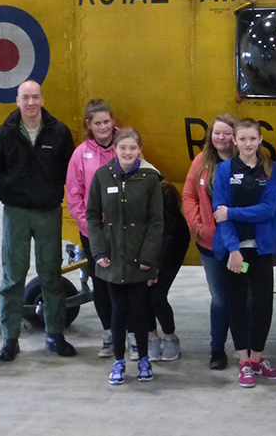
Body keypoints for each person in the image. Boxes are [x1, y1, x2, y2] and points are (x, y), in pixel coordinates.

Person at [0, 79, 76, 361]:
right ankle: (10, 339)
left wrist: (49, 191)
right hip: (16, 211)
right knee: (12, 276)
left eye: (35, 97)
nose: (30, 103)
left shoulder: (59, 132)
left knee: (51, 274)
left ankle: (55, 335)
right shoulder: (3, 134)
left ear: (41, 99)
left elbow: (67, 168)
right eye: (25, 97)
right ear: (17, 100)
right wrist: (15, 188)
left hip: (47, 211)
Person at [86, 128, 164, 385]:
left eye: (133, 148)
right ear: (115, 150)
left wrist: (148, 257)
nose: (128, 153)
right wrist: (98, 251)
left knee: (140, 310)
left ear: (140, 149)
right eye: (123, 148)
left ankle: (143, 359)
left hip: (139, 258)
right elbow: (93, 216)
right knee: (118, 310)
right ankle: (118, 361)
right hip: (111, 259)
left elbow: (156, 222)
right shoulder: (102, 176)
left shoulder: (150, 178)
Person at [212, 118, 276, 387]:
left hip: (261, 251)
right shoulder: (223, 170)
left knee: (264, 304)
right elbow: (219, 214)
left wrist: (232, 212)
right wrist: (233, 249)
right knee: (238, 304)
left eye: (252, 139)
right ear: (234, 141)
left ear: (260, 140)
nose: (248, 144)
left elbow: (268, 210)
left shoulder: (271, 170)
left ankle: (257, 359)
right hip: (236, 255)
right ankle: (243, 361)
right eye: (242, 139)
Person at [182, 114, 236, 370]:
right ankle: (217, 350)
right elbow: (189, 196)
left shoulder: (245, 162)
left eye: (227, 133)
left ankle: (245, 349)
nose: (221, 138)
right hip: (211, 246)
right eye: (217, 133)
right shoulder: (201, 162)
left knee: (243, 297)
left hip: (239, 246)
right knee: (220, 298)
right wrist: (199, 226)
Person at [65, 99, 118, 357]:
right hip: (94, 233)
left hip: (123, 231)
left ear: (113, 121)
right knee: (101, 283)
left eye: (106, 121)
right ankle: (109, 333)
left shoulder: (125, 147)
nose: (103, 127)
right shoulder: (80, 154)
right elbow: (74, 196)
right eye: (97, 123)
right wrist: (90, 226)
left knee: (125, 282)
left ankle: (128, 333)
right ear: (89, 125)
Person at [144, 182, 191, 362]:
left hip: (171, 253)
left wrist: (155, 268)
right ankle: (151, 337)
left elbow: (169, 241)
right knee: (143, 295)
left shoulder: (174, 222)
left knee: (156, 295)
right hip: (147, 253)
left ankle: (170, 337)